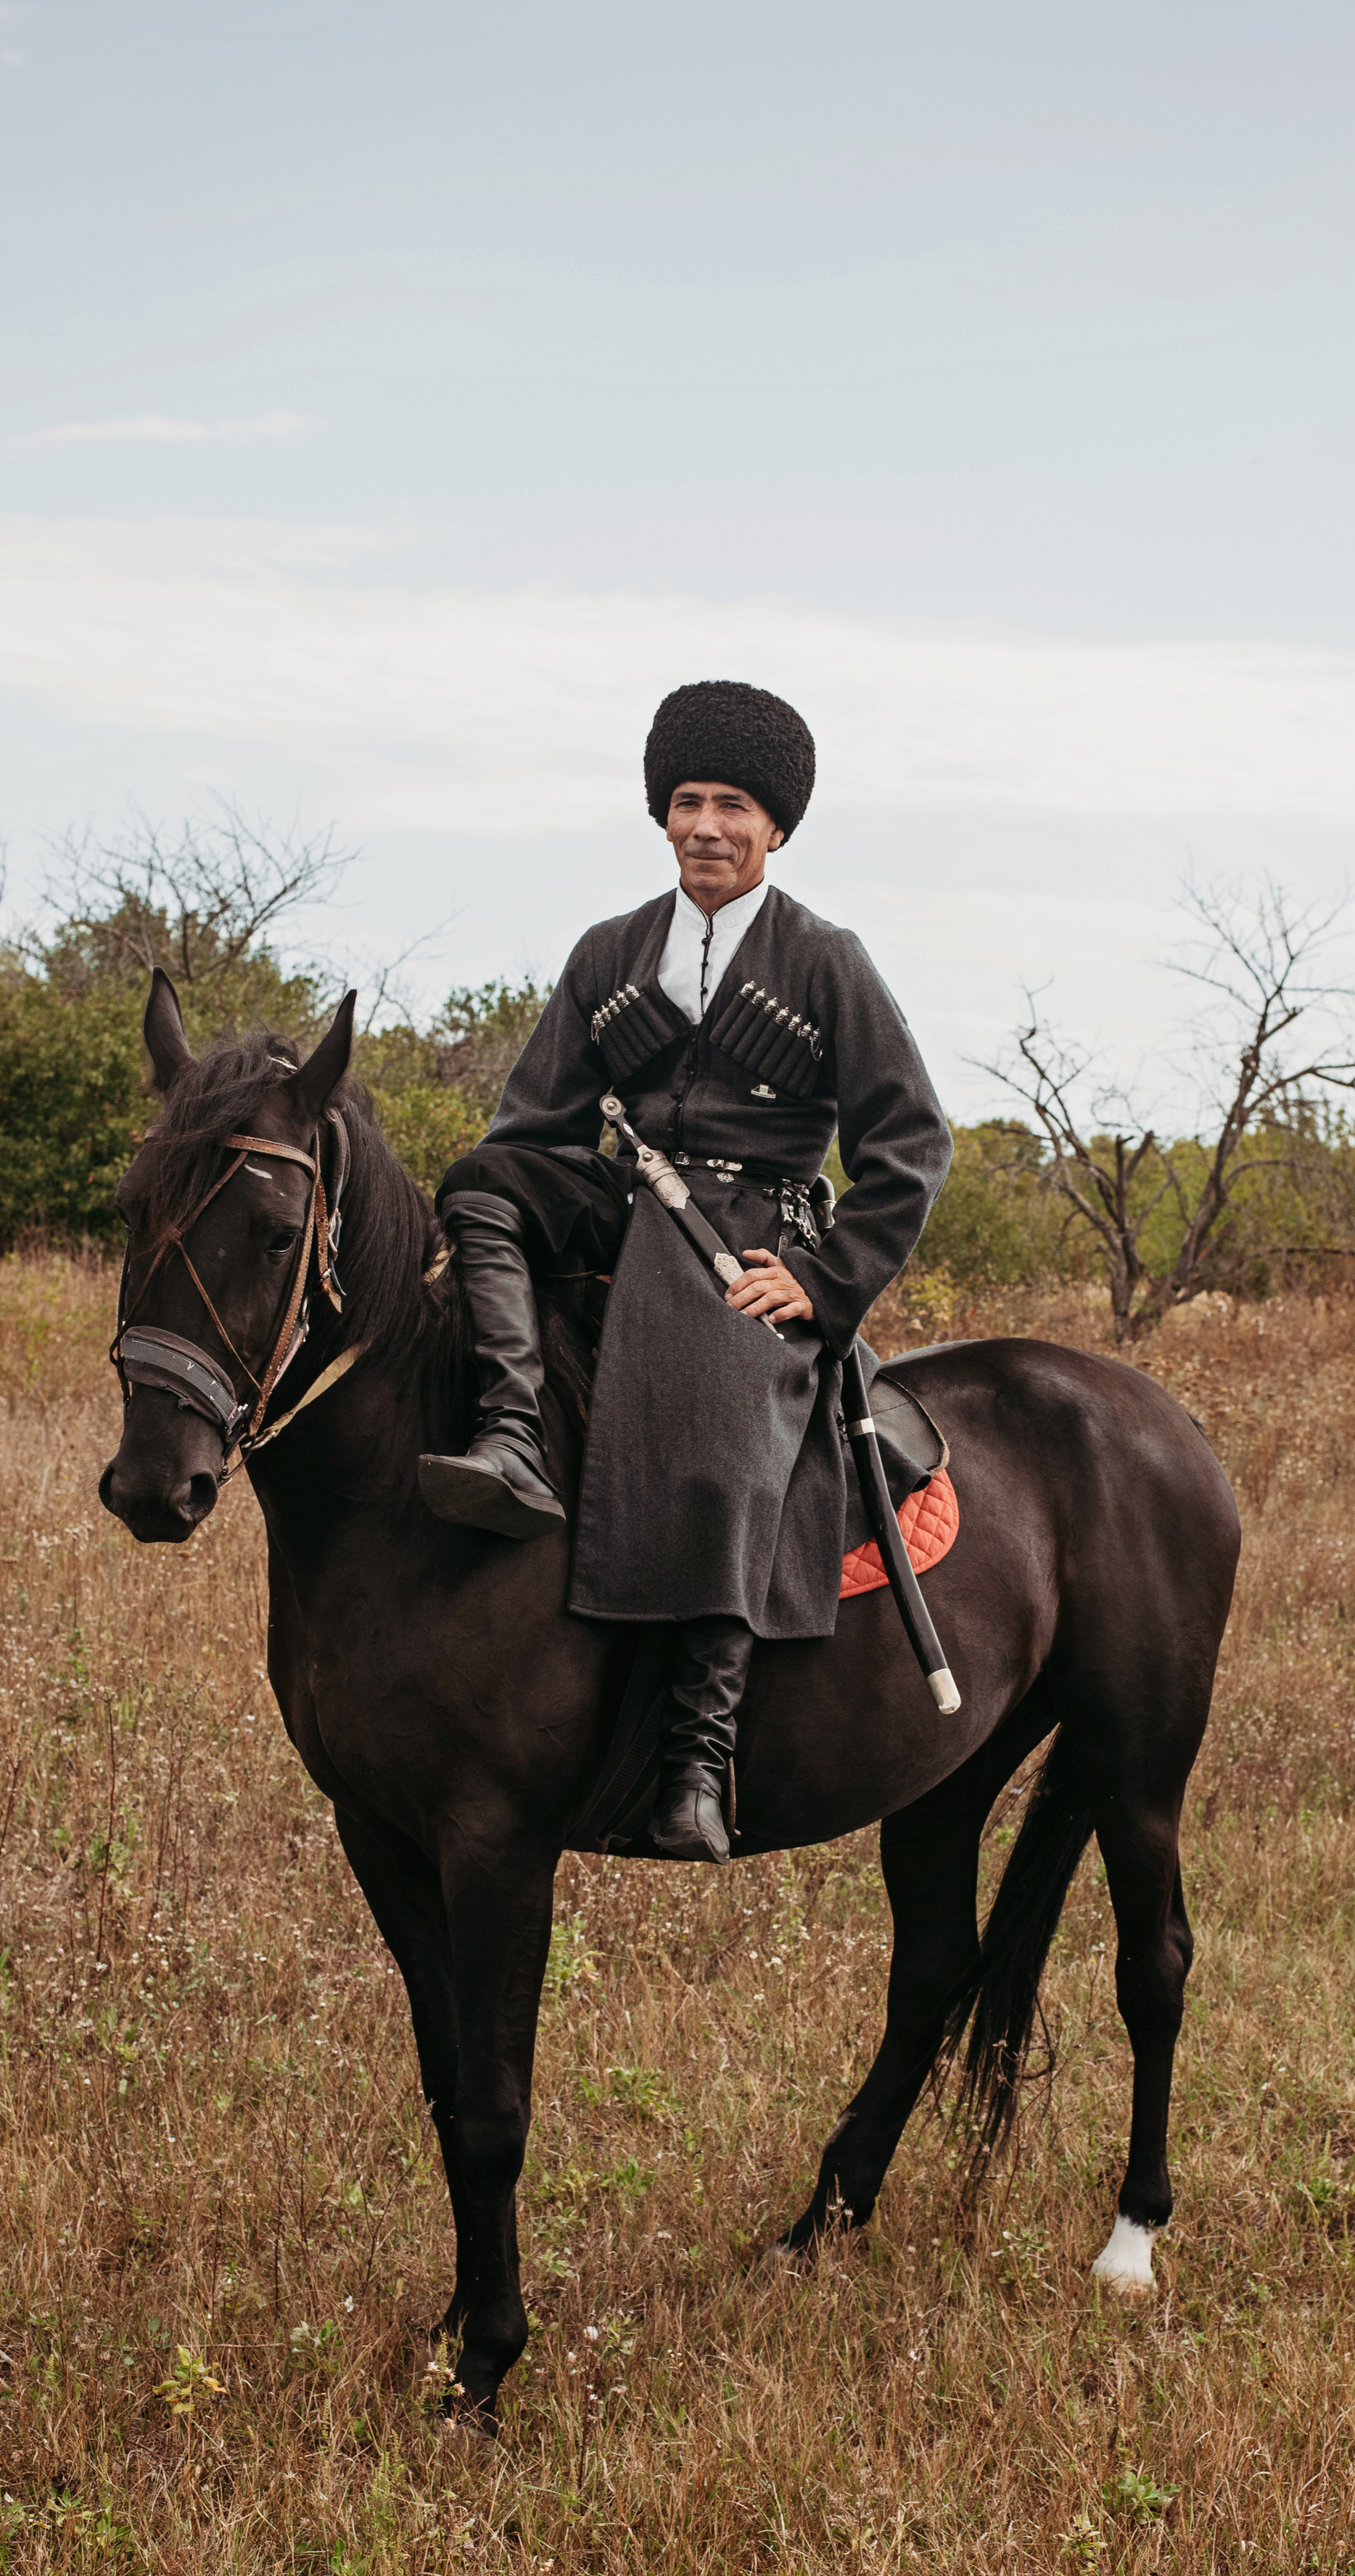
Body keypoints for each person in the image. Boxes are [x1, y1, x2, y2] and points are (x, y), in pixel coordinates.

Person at [419, 678, 952, 1860]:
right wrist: (529, 1218)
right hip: (624, 1205)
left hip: (748, 1239)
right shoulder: (609, 952)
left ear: (777, 828)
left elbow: (913, 1143)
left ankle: (697, 1759)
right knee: (481, 1180)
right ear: (662, 813)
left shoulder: (827, 961)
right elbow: (534, 1128)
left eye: (733, 806)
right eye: (688, 802)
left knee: (719, 1433)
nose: (706, 826)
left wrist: (821, 1279)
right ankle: (510, 1433)